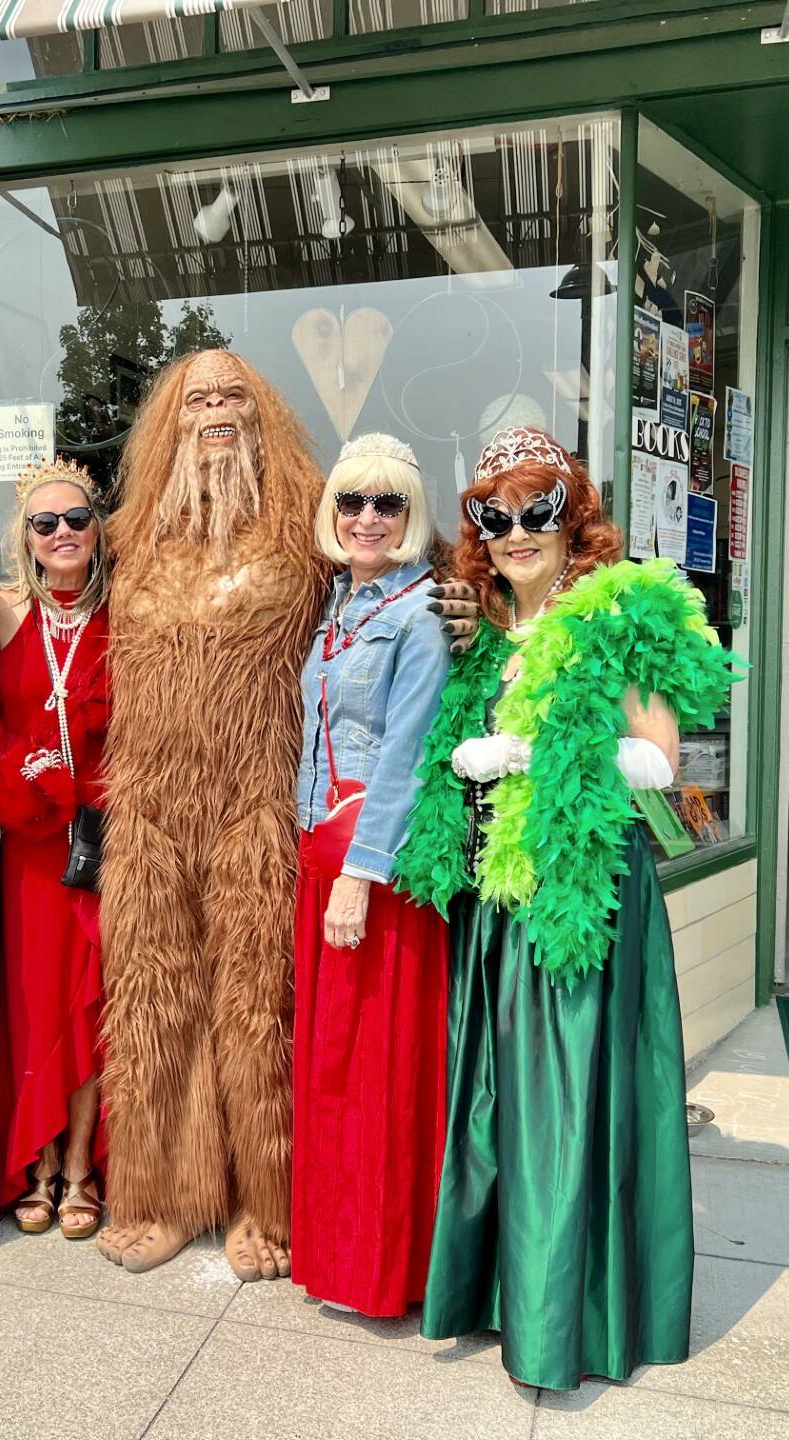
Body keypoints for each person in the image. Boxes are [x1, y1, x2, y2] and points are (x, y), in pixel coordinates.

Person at [396, 425, 738, 1389]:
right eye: (493, 516)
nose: (515, 533)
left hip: (585, 896)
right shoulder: (488, 635)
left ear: (572, 520)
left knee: (568, 1101)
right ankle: (506, 1293)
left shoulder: (616, 617)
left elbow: (659, 763)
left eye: (536, 511)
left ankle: (566, 1319)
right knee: (505, 1101)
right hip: (501, 903)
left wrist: (538, 760)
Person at [96, 349, 329, 1280]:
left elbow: (399, 566)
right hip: (148, 810)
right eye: (198, 398)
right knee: (152, 1001)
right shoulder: (131, 540)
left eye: (235, 394)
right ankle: (163, 1198)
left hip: (258, 804)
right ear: (171, 421)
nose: (216, 411)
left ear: (263, 415)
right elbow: (39, 600)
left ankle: (262, 1205)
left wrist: (462, 598)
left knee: (256, 1002)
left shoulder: (309, 532)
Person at [289, 434, 450, 1318]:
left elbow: (409, 757)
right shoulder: (339, 607)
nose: (368, 519)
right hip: (322, 856)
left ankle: (382, 1267)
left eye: (387, 503)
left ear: (410, 514)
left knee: (377, 1073)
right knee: (334, 1072)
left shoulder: (420, 613)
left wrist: (362, 873)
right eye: (352, 501)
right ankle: (338, 1251)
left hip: (370, 871)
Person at [0, 456, 111, 1240]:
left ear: (97, 530)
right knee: (32, 1004)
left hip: (102, 843)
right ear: (24, 534)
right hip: (26, 846)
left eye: (76, 520)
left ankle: (84, 1169)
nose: (62, 533)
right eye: (44, 522)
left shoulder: (128, 612)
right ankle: (39, 1162)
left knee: (89, 1002)